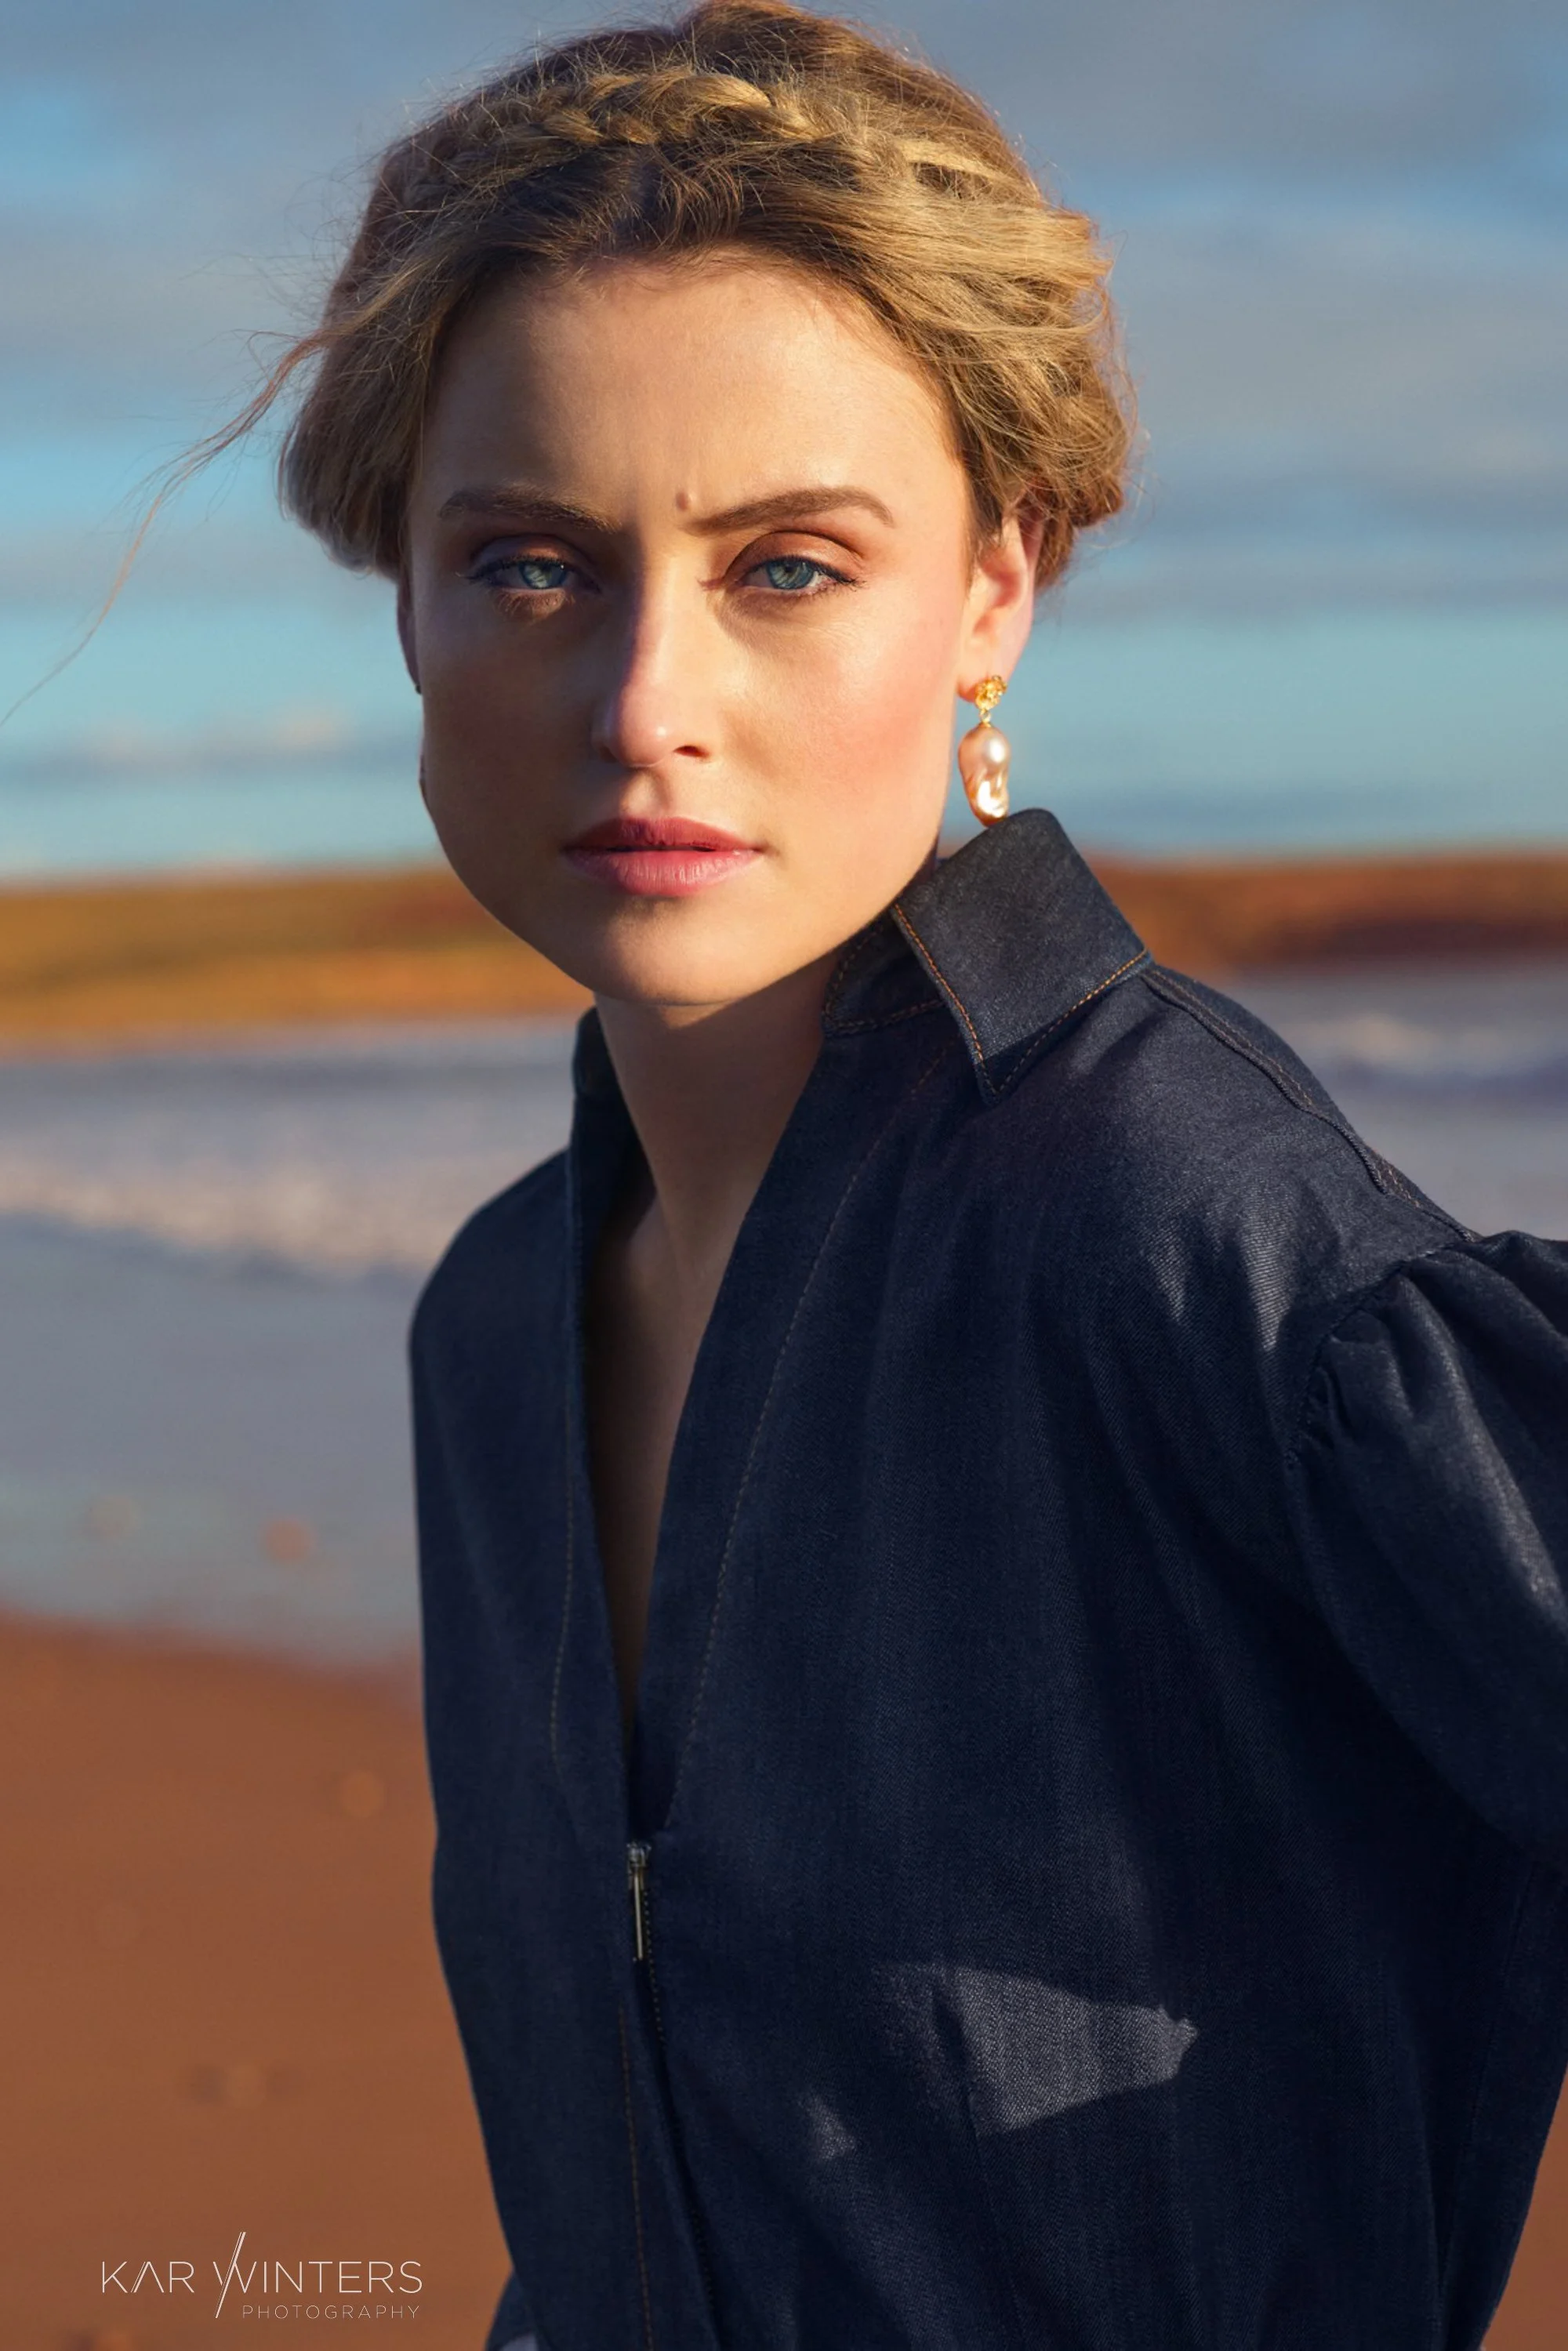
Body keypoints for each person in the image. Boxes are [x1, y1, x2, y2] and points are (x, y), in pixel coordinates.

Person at [245, 2, 1568, 2342]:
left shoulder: (1169, 1213)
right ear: (407, 602)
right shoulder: (492, 1317)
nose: (646, 693)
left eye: (784, 567)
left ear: (992, 592)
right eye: (533, 561)